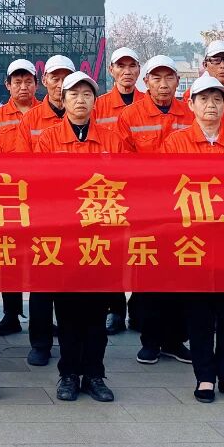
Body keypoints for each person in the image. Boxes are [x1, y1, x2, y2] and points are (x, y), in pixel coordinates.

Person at [162, 73, 224, 403]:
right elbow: (167, 187)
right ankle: (204, 376)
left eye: (218, 99)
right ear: (190, 104)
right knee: (199, 311)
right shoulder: (176, 143)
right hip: (195, 239)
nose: (211, 105)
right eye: (204, 99)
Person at [33, 72, 125, 402]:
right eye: (74, 94)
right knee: (68, 312)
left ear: (94, 101)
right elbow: (43, 186)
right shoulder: (47, 140)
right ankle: (69, 374)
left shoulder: (112, 139)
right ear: (63, 98)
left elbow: (123, 184)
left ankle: (95, 374)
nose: (80, 99)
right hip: (66, 238)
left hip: (101, 236)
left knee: (96, 314)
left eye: (87, 94)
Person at [115, 55, 195, 366]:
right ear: (145, 82)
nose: (163, 84)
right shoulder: (131, 115)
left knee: (181, 275)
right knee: (147, 277)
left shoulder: (190, 114)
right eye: (156, 78)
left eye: (169, 78)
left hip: (184, 209)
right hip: (146, 210)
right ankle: (150, 340)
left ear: (178, 81)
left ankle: (176, 340)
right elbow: (123, 162)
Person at [7, 54, 76, 368]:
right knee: (42, 281)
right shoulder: (31, 121)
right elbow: (22, 169)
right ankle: (40, 342)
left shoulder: (87, 116)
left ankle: (72, 340)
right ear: (44, 81)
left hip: (80, 213)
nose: (60, 84)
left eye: (67, 78)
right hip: (45, 213)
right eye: (55, 77)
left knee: (74, 282)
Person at [0, 58, 38, 338]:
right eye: (17, 82)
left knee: (42, 255)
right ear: (7, 85)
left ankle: (42, 315)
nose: (22, 86)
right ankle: (11, 313)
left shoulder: (48, 113)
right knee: (9, 254)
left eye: (28, 81)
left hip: (40, 196)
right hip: (8, 195)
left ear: (36, 84)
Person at [92, 47, 141, 336]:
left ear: (138, 70)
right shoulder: (97, 104)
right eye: (120, 66)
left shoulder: (148, 102)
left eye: (131, 66)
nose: (126, 71)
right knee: (110, 252)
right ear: (111, 71)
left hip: (141, 190)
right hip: (107, 190)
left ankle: (138, 309)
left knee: (140, 252)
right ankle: (115, 309)